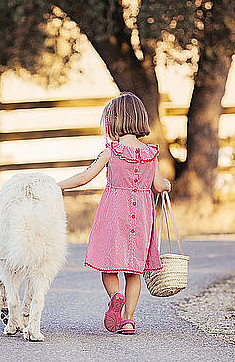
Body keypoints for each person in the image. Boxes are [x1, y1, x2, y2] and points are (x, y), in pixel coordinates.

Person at [57, 91, 171, 335]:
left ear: (114, 121)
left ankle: (115, 296)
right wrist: (167, 185)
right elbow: (159, 185)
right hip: (141, 216)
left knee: (108, 266)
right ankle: (128, 320)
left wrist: (56, 186)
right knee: (134, 271)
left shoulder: (112, 151)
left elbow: (85, 176)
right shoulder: (151, 153)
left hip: (113, 214)